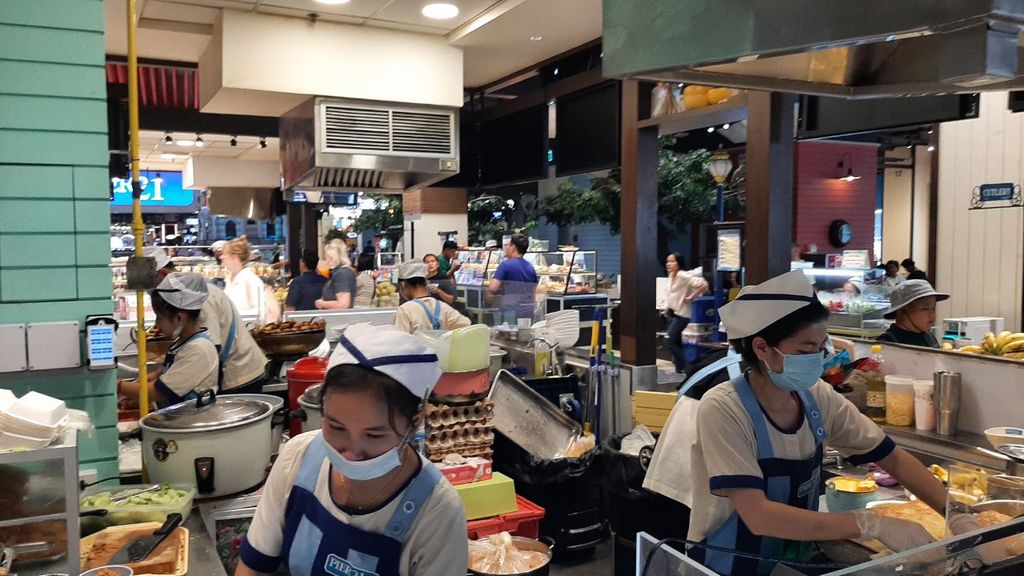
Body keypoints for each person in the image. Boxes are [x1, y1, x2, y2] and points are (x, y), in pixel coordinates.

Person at [647, 270, 946, 576]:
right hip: (726, 567)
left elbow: (892, 458)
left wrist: (955, 513)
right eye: (805, 350)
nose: (817, 358)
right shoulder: (724, 408)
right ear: (762, 347)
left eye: (820, 347)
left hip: (789, 564)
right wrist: (870, 524)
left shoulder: (817, 397)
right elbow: (758, 515)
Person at [236, 324, 468, 576]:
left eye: (374, 435)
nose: (351, 454)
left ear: (414, 422)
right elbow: (253, 567)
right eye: (336, 427)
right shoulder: (298, 457)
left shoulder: (437, 511)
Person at [151, 248, 269, 394]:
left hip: (239, 375)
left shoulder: (194, 298)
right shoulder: (186, 294)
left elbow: (211, 346)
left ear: (163, 274)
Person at [119, 273, 219, 408]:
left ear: (179, 318)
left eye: (159, 318)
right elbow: (166, 375)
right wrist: (149, 379)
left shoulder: (199, 348)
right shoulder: (182, 343)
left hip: (191, 419)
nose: (156, 324)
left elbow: (158, 392)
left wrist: (118, 386)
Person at [394, 261, 471, 334]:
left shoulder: (405, 310)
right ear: (425, 282)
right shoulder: (443, 306)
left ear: (403, 285)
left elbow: (400, 339)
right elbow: (466, 324)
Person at [664, 253, 708, 373]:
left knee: (668, 342)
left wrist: (691, 297)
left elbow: (703, 285)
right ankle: (680, 370)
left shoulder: (683, 275)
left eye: (672, 261)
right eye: (667, 261)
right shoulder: (671, 275)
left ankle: (685, 367)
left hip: (682, 314)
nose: (668, 264)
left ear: (679, 263)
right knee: (676, 342)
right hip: (671, 313)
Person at [877, 280, 948, 348]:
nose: (932, 315)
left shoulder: (928, 336)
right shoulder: (887, 344)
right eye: (925, 309)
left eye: (933, 308)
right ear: (903, 310)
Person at [487, 235, 539, 324]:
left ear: (513, 247)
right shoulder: (530, 267)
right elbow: (534, 291)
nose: (506, 248)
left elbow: (493, 287)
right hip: (528, 312)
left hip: (510, 311)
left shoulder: (505, 265)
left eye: (508, 245)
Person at [222, 236, 269, 317]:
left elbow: (261, 311)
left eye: (224, 254)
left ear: (234, 257)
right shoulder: (229, 279)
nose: (221, 256)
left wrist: (235, 316)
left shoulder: (250, 279)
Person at [316, 240, 356, 310]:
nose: (325, 260)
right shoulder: (342, 272)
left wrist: (321, 303)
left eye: (326, 257)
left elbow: (343, 304)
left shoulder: (342, 274)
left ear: (331, 257)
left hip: (337, 316)